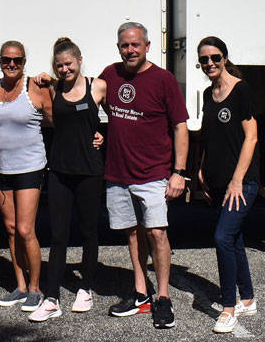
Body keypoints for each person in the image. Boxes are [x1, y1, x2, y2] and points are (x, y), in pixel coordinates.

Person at [99, 22, 189, 329]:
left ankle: (162, 297)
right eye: (125, 45)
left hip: (153, 173)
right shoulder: (110, 74)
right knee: (132, 234)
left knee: (157, 234)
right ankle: (140, 294)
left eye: (135, 45)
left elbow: (180, 127)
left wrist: (179, 172)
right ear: (118, 47)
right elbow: (81, 97)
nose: (130, 50)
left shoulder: (163, 80)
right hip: (118, 173)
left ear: (147, 46)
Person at [28, 37, 107, 322]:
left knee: (88, 232)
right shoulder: (53, 86)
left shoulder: (98, 86)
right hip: (60, 170)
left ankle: (85, 288)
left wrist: (102, 136)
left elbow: (118, 122)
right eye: (59, 66)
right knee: (58, 234)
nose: (64, 69)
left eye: (69, 64)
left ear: (80, 60)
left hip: (89, 171)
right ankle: (51, 298)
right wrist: (42, 78)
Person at [0, 41, 51, 313]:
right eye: (7, 60)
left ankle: (36, 288)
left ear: (24, 61)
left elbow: (58, 121)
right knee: (10, 230)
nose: (12, 65)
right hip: (0, 168)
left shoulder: (37, 87)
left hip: (30, 167)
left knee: (25, 230)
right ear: (0, 61)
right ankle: (20, 286)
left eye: (18, 60)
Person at [196, 36, 260, 334]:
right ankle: (247, 299)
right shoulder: (210, 94)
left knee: (222, 237)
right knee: (234, 240)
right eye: (205, 59)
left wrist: (237, 180)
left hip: (242, 182)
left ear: (224, 58)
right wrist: (201, 170)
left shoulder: (241, 90)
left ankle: (228, 309)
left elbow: (251, 137)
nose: (210, 63)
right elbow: (210, 137)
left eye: (215, 58)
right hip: (218, 180)